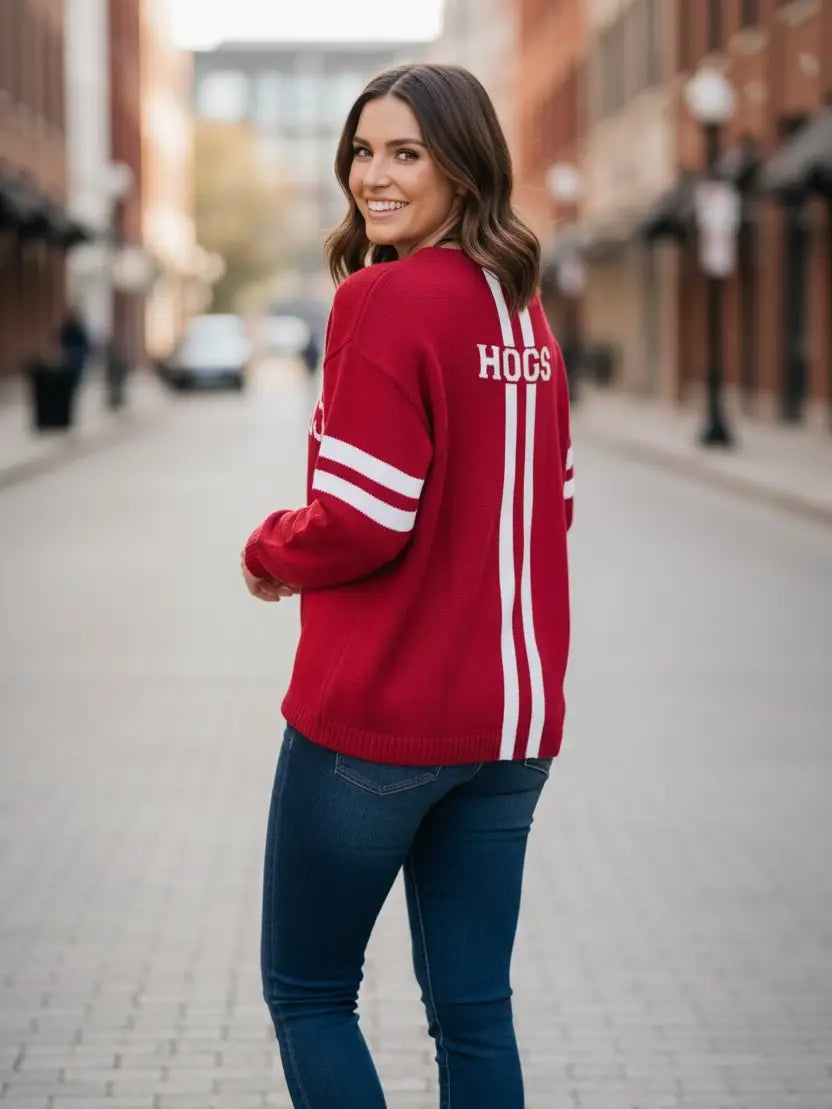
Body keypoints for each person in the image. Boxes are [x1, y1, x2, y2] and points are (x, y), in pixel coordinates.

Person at [240, 63, 574, 1109]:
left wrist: (268, 548)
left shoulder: (382, 299)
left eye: (405, 153)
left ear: (464, 166)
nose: (371, 177)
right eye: (361, 150)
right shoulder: (523, 313)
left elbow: (361, 519)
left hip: (377, 723)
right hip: (511, 727)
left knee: (309, 990)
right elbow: (551, 503)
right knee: (473, 1009)